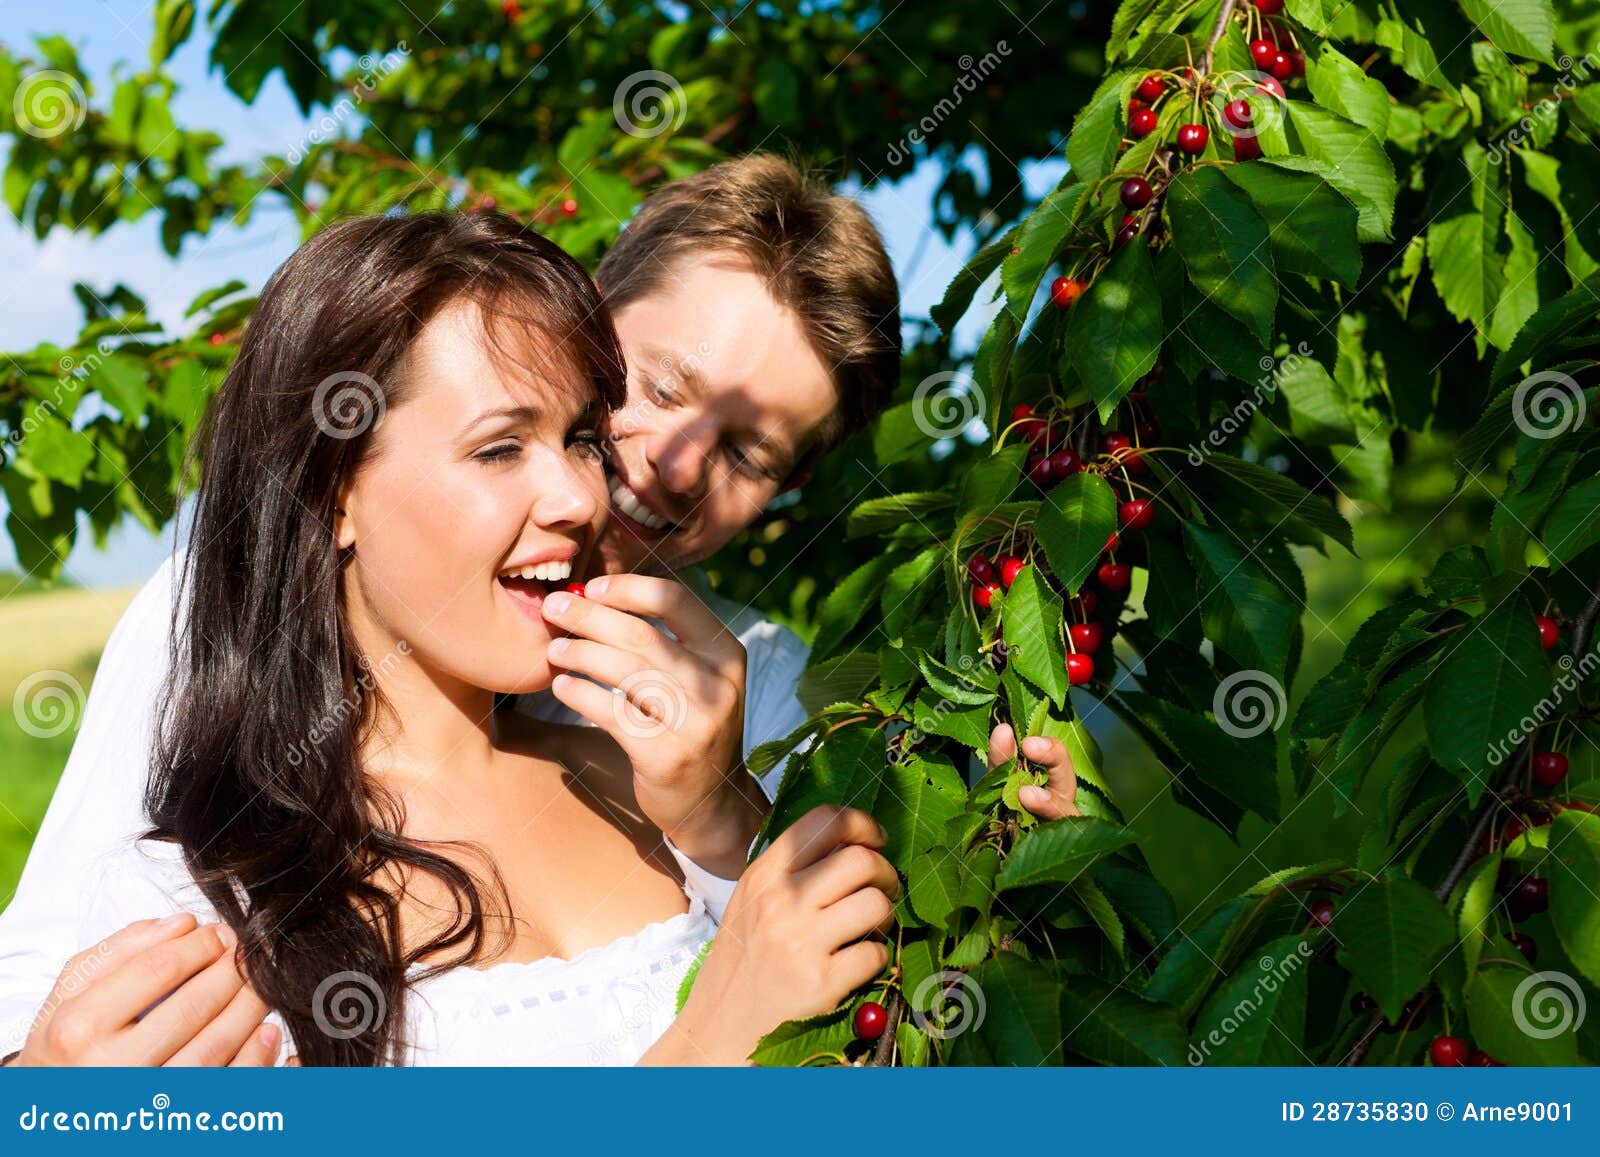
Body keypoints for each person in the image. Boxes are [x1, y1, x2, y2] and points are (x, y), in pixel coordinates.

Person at [0, 157, 1082, 1063]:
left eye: (749, 450)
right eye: (654, 385)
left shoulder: (763, 679)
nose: (668, 464)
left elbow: (843, 1016)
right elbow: (52, 982)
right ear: (585, 324)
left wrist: (977, 881)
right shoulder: (224, 614)